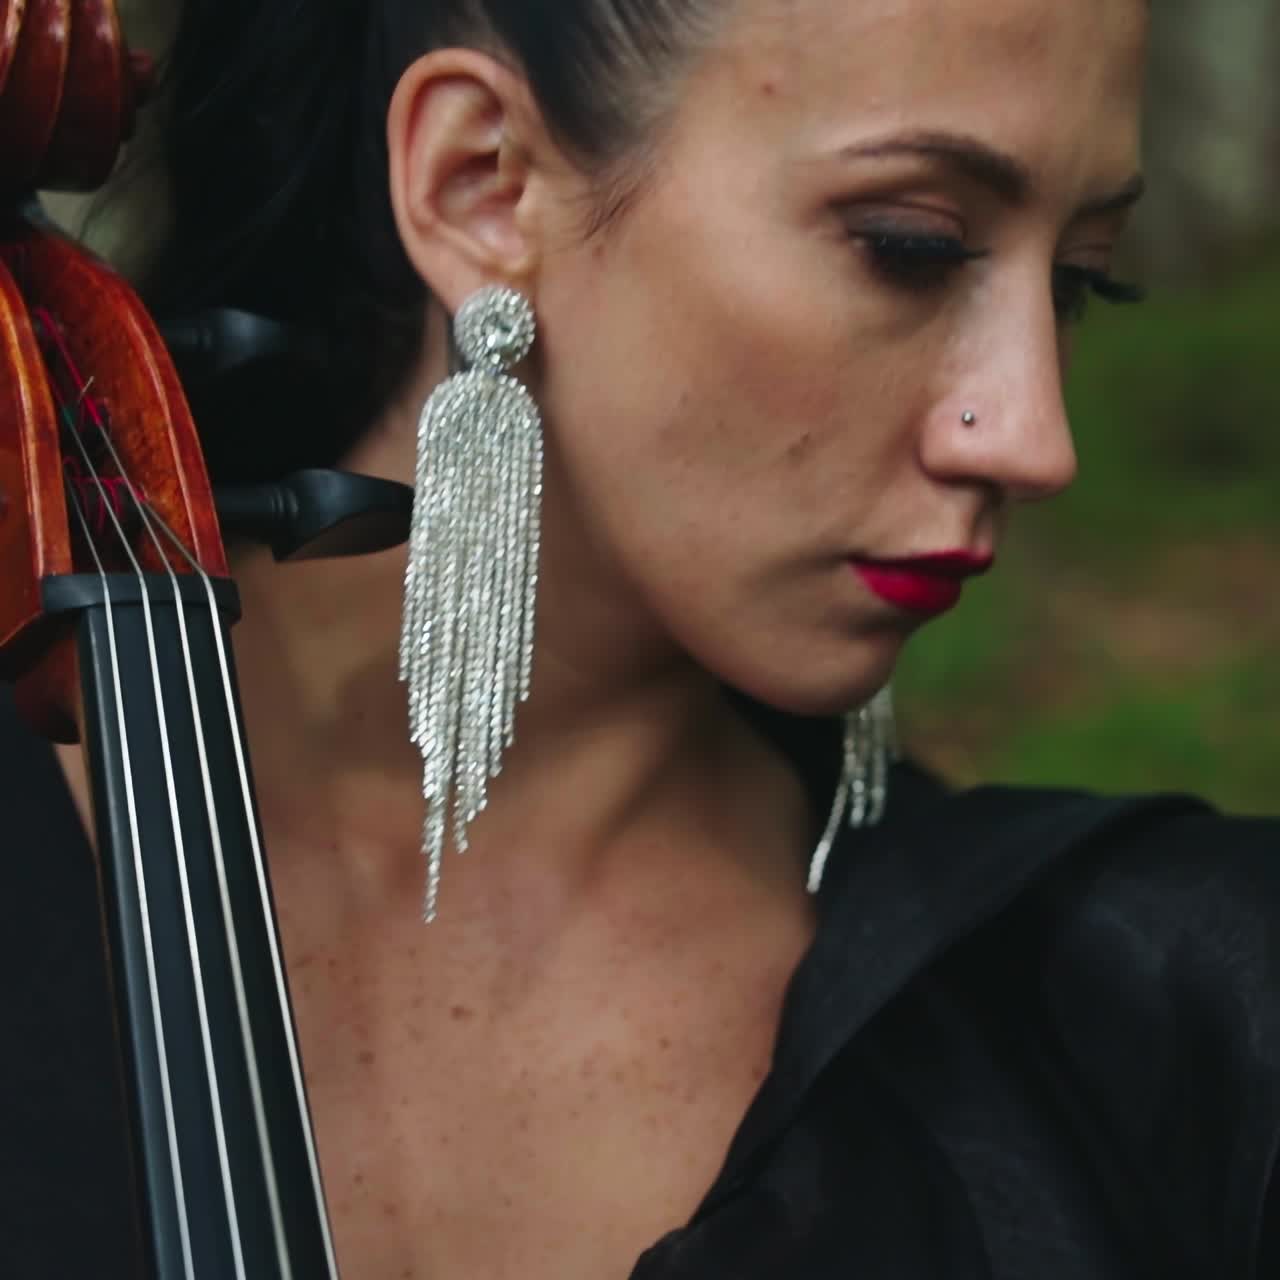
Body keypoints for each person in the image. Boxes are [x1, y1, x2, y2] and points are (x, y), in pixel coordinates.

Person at [1, 0, 1276, 1276]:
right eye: (912, 246)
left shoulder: (1153, 1028)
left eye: (1078, 282)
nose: (1032, 437)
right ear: (481, 187)